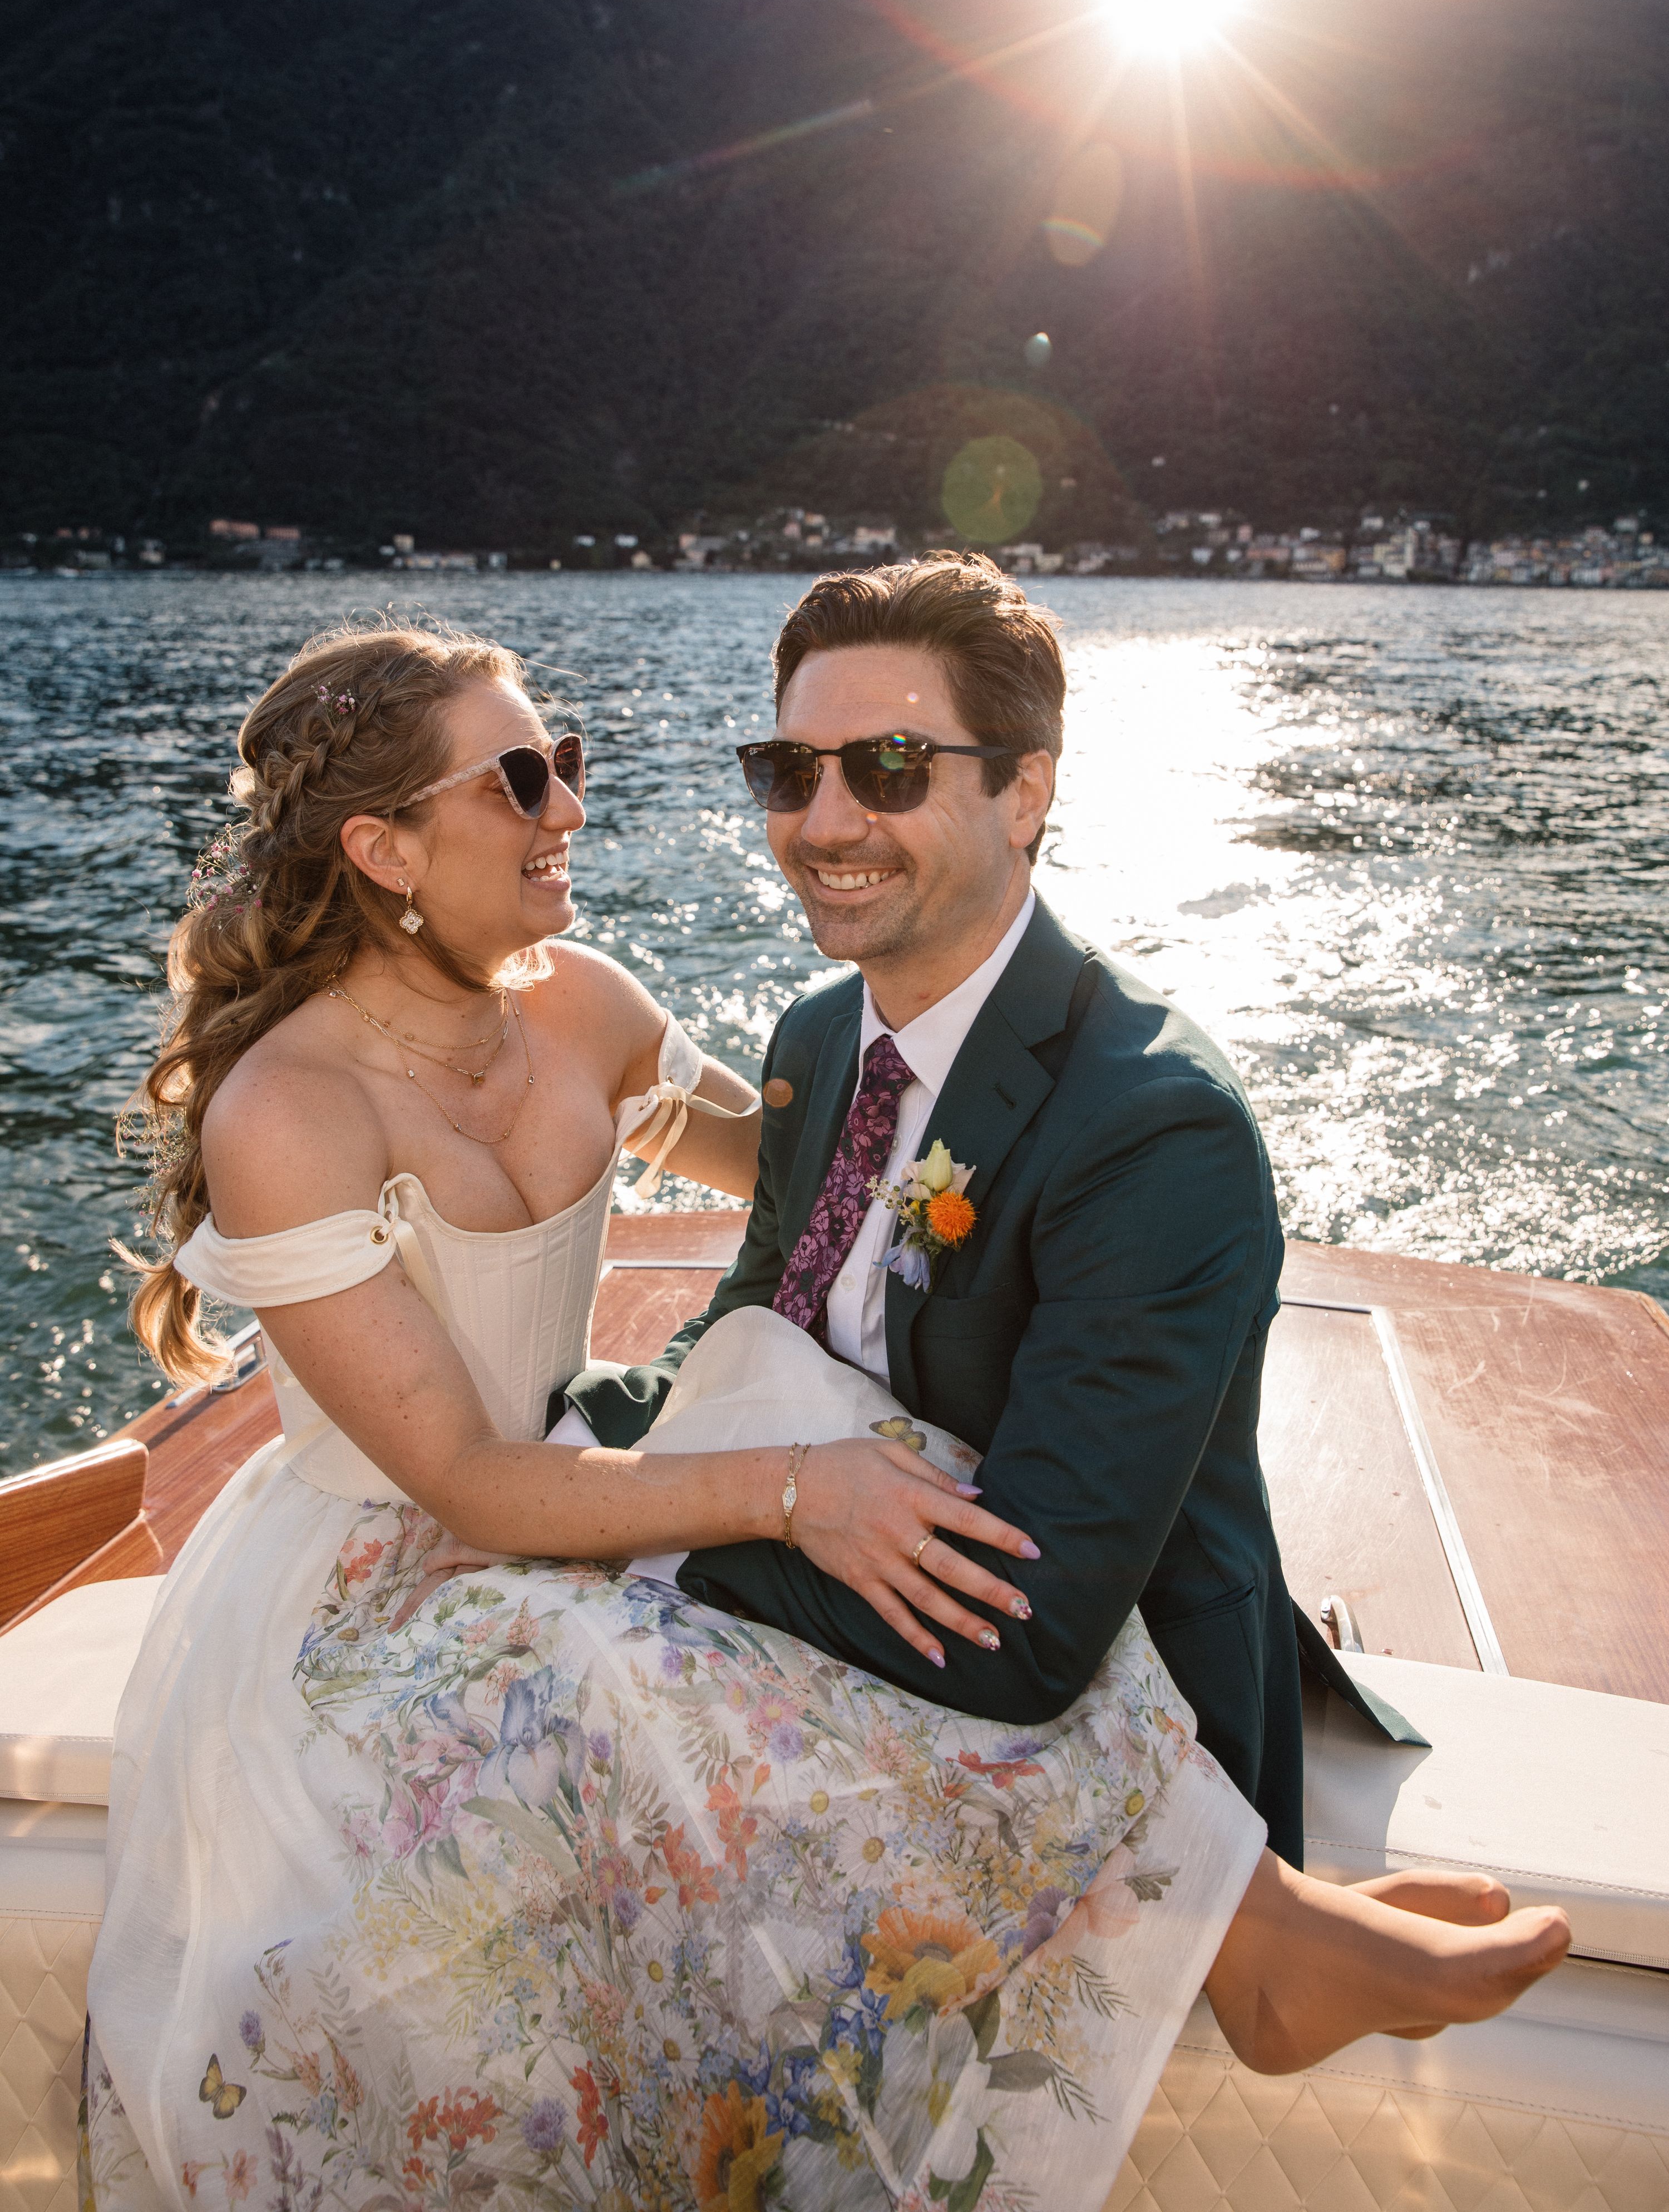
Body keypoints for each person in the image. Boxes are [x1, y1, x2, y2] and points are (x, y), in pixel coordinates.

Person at [85, 615, 1567, 2212]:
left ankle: (1254, 1921)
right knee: (601, 1652)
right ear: (382, 845)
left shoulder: (583, 1003)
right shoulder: (287, 1111)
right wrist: (791, 1483)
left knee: (867, 1473)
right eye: (523, 779)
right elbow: (467, 1478)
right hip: (405, 1558)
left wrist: (1029, 1120)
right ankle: (1254, 1927)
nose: (571, 807)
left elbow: (824, 1182)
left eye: (566, 764)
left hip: (573, 1488)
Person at [566, 553, 1400, 1865]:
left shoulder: (1151, 1127)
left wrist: (654, 1545)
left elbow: (1021, 1630)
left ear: (1026, 790)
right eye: (792, 773)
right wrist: (564, 1463)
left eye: (890, 767)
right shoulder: (822, 1035)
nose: (824, 822)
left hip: (1098, 1723)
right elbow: (756, 1320)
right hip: (840, 1615)